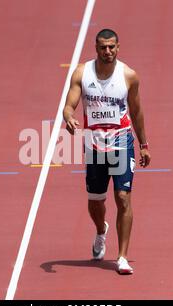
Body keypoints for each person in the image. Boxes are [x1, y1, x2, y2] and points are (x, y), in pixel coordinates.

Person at [63, 29, 151, 274]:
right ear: (96, 48)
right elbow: (69, 105)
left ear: (118, 47)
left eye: (112, 47)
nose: (108, 51)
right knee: (95, 202)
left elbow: (136, 111)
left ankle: (122, 257)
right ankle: (101, 230)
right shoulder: (82, 73)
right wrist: (68, 118)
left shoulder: (129, 76)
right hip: (94, 147)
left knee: (123, 197)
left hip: (122, 143)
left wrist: (143, 144)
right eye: (103, 47)